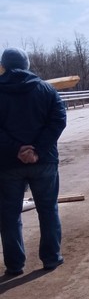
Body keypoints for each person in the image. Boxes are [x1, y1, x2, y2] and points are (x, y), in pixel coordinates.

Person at [0, 48, 67, 276]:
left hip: (7, 164)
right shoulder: (47, 89)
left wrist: (16, 150)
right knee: (48, 210)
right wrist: (37, 150)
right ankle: (51, 258)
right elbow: (58, 121)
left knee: (9, 216)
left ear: (4, 66)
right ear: (27, 64)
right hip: (44, 161)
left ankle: (14, 265)